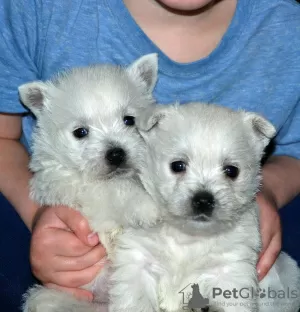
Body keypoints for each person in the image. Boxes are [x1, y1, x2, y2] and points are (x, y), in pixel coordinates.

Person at [0, 0, 299, 311]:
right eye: (179, 166)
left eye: (128, 121)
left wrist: (269, 192)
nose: (114, 149)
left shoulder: (288, 29)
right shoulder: (38, 9)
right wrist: (38, 212)